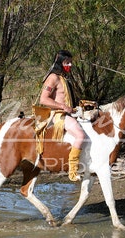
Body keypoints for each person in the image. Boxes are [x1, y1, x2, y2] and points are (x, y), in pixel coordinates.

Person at [39, 50, 85, 181]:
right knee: (80, 135)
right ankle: (72, 171)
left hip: (69, 113)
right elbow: (43, 99)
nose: (69, 65)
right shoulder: (53, 78)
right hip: (58, 114)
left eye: (71, 63)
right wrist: (63, 107)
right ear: (60, 62)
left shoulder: (64, 78)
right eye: (67, 62)